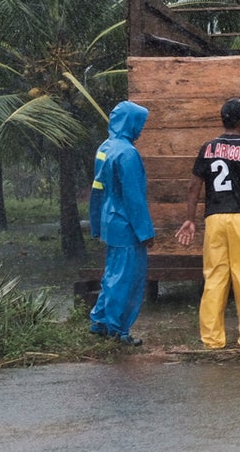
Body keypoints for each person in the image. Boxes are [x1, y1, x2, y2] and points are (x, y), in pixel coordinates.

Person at [175, 97, 240, 349]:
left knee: (215, 277)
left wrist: (190, 218)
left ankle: (212, 339)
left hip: (215, 218)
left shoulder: (207, 148)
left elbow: (193, 186)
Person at [88, 100, 155, 346]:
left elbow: (97, 189)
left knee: (112, 274)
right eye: (140, 123)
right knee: (127, 278)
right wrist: (145, 231)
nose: (141, 129)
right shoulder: (128, 153)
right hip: (127, 226)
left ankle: (100, 322)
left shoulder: (105, 147)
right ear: (130, 122)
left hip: (109, 221)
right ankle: (118, 330)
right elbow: (134, 197)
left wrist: (96, 223)